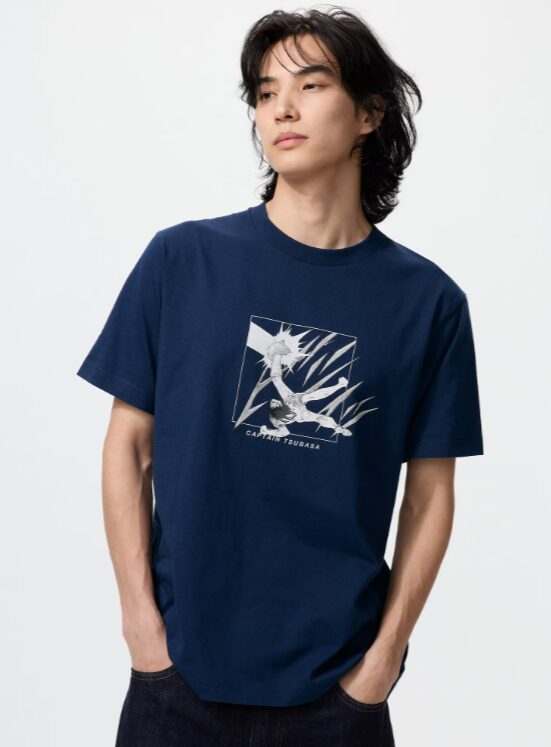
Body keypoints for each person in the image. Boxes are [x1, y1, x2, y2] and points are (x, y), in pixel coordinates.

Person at [76, 7, 484, 746]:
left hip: (339, 695)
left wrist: (382, 660)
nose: (281, 109)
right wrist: (141, 630)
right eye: (265, 93)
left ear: (369, 113)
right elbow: (128, 447)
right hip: (177, 680)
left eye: (310, 85)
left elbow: (430, 494)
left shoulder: (428, 303)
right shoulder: (182, 261)